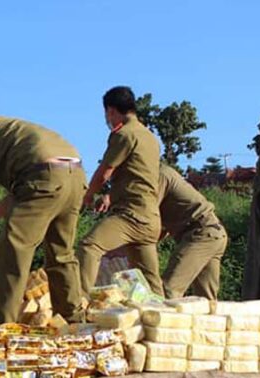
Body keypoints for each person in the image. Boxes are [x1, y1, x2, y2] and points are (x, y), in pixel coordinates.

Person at [0, 95, 85, 324]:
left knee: (12, 252)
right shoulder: (8, 128)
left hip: (41, 176)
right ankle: (73, 322)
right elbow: (22, 192)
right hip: (75, 175)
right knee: (61, 254)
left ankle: (0, 327)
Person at [78, 86, 164, 296]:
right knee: (151, 282)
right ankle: (164, 317)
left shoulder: (124, 134)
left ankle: (79, 306)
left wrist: (87, 195)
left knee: (89, 247)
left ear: (111, 111)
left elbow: (105, 171)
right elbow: (137, 175)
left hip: (130, 215)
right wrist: (108, 196)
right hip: (151, 217)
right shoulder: (150, 137)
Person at [157, 164, 228, 299]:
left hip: (200, 233)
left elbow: (147, 217)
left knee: (168, 290)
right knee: (206, 301)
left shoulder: (159, 175)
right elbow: (159, 229)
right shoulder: (163, 174)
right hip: (214, 232)